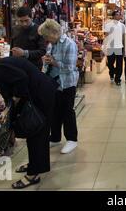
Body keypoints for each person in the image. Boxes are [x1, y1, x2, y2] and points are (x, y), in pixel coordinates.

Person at [0, 52, 57, 189]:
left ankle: (34, 174)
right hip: (40, 93)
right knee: (35, 133)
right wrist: (10, 105)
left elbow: (21, 80)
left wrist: (15, 100)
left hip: (40, 96)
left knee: (36, 133)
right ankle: (35, 165)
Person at [38, 19, 79, 154]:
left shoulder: (69, 44)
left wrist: (54, 63)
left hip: (67, 83)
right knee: (54, 111)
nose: (46, 39)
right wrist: (46, 64)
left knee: (67, 111)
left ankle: (72, 139)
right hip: (53, 83)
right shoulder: (51, 45)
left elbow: (70, 67)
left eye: (46, 36)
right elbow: (48, 62)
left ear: (55, 32)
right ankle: (55, 137)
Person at [104, 10, 126, 86]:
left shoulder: (122, 25)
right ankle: (112, 72)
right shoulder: (108, 25)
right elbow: (106, 36)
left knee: (119, 64)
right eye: (117, 14)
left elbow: (123, 37)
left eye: (119, 15)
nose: (118, 16)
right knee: (110, 63)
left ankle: (118, 79)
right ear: (113, 16)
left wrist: (124, 46)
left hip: (119, 47)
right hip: (110, 47)